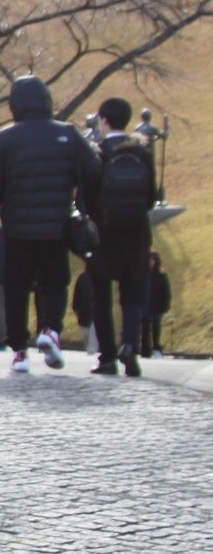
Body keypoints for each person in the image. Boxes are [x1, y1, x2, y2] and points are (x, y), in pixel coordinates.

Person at [0, 76, 101, 375]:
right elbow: (94, 169)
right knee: (54, 282)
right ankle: (49, 329)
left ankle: (19, 350)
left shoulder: (7, 138)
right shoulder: (68, 134)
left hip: (17, 227)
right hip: (56, 226)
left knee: (17, 287)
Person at [83, 97, 159, 377]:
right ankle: (130, 346)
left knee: (100, 296)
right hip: (136, 233)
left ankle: (107, 357)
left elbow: (86, 197)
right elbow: (150, 197)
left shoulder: (97, 153)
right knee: (133, 295)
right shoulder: (142, 153)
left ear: (103, 120)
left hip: (103, 234)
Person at [141, 252, 170, 357]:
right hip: (144, 307)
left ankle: (156, 348)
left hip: (156, 307)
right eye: (148, 260)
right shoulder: (143, 276)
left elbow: (166, 293)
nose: (150, 262)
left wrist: (165, 307)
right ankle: (145, 350)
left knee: (156, 329)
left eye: (152, 260)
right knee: (145, 330)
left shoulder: (161, 276)